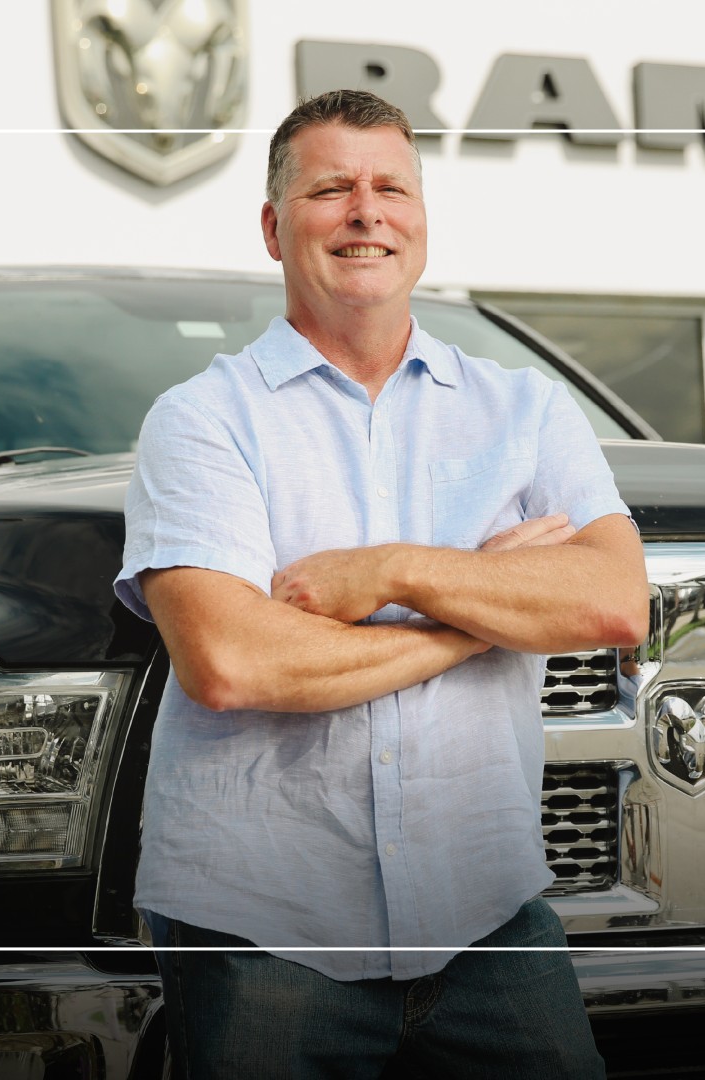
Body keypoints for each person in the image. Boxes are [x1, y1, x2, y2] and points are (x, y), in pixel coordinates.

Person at [113, 89, 648, 1079]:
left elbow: (615, 603)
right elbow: (231, 662)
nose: (366, 212)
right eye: (331, 190)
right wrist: (484, 612)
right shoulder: (202, 420)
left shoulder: (525, 409)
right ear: (273, 228)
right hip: (267, 931)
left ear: (422, 219)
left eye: (391, 188)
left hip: (487, 915)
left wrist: (390, 571)